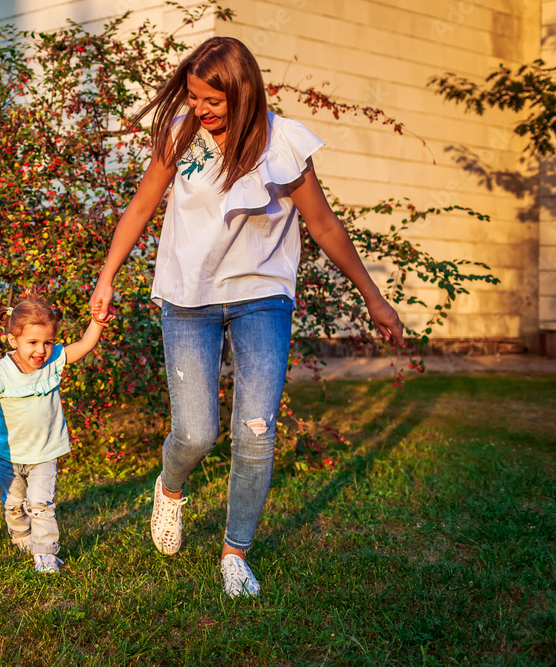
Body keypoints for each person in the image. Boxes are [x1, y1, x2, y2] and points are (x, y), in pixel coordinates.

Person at [88, 37, 405, 598]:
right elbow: (141, 207)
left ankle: (236, 553)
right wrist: (108, 275)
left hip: (262, 297)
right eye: (192, 96)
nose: (200, 108)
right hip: (189, 297)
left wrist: (373, 297)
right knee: (196, 432)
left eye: (212, 99)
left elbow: (325, 226)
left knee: (256, 433)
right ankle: (170, 487)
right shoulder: (181, 136)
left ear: (244, 91)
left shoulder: (282, 143)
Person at [0, 297, 113, 573]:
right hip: (11, 455)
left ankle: (46, 553)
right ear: (13, 340)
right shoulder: (0, 371)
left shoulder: (53, 362)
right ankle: (21, 537)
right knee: (14, 505)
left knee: (41, 505)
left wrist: (97, 323)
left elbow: (85, 345)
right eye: (33, 343)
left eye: (47, 342)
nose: (41, 350)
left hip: (45, 453)